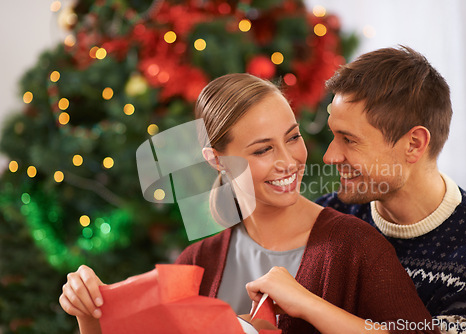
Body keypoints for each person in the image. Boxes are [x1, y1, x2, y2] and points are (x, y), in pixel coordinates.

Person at [60, 73, 439, 334]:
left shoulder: (354, 246)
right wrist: (88, 312)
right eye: (262, 149)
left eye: (292, 138)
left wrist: (307, 304)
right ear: (217, 160)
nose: (288, 161)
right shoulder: (197, 263)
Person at [315, 46, 466, 332]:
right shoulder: (326, 218)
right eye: (333, 135)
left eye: (349, 140)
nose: (330, 156)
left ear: (413, 144)